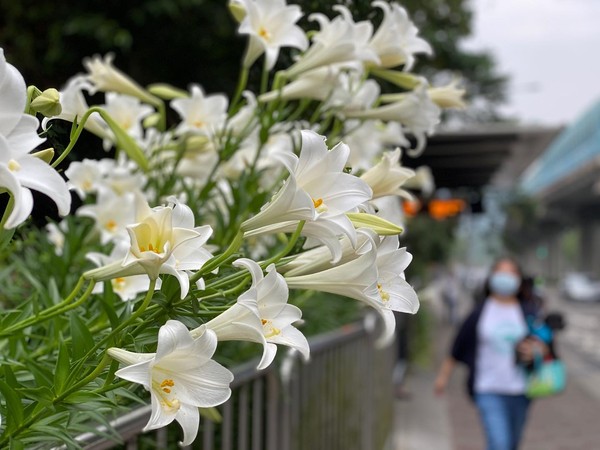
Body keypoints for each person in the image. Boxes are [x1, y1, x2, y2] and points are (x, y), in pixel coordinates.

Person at [434, 257, 549, 450]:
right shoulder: (479, 313)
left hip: (522, 390)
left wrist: (537, 350)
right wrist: (443, 378)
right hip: (487, 389)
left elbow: (546, 343)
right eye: (500, 272)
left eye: (511, 273)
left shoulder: (529, 311)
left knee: (512, 443)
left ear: (519, 279)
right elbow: (458, 346)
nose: (505, 277)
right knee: (499, 443)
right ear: (491, 278)